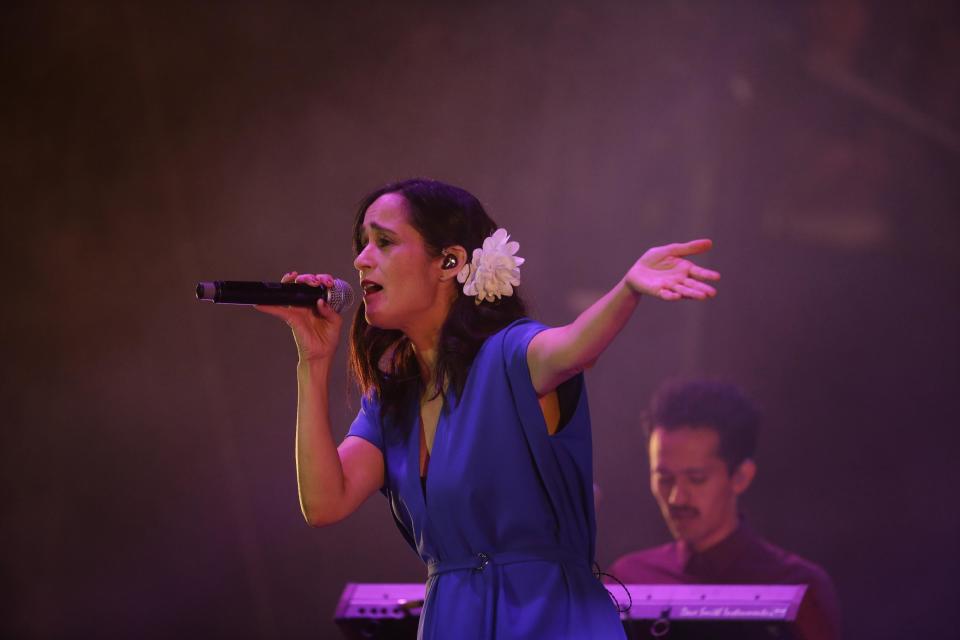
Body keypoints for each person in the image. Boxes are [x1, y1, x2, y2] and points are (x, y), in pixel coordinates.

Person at [256, 178, 720, 640]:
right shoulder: (392, 402)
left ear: (449, 261)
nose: (361, 259)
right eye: (362, 244)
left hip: (549, 620)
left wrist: (628, 288)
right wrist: (313, 362)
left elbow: (576, 346)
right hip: (452, 621)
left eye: (384, 241)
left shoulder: (509, 353)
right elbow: (323, 503)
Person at [609, 380, 842, 640]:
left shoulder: (797, 586)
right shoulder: (628, 578)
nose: (676, 497)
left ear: (741, 477)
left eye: (696, 478)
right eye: (664, 478)